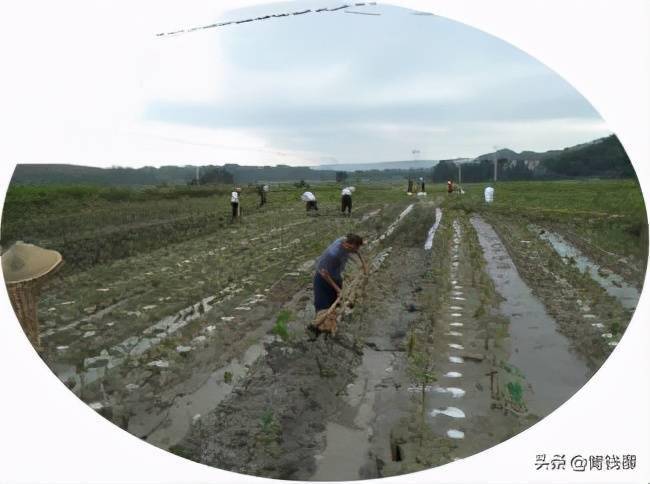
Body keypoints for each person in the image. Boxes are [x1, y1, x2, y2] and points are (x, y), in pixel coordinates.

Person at [309, 234, 367, 337]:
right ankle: (316, 331)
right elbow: (324, 273)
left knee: (338, 305)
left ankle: (332, 328)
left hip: (335, 276)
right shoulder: (333, 254)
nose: (355, 250)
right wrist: (337, 289)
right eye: (354, 248)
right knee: (323, 308)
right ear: (347, 245)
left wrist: (362, 264)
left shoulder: (344, 240)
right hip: (322, 279)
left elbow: (356, 250)